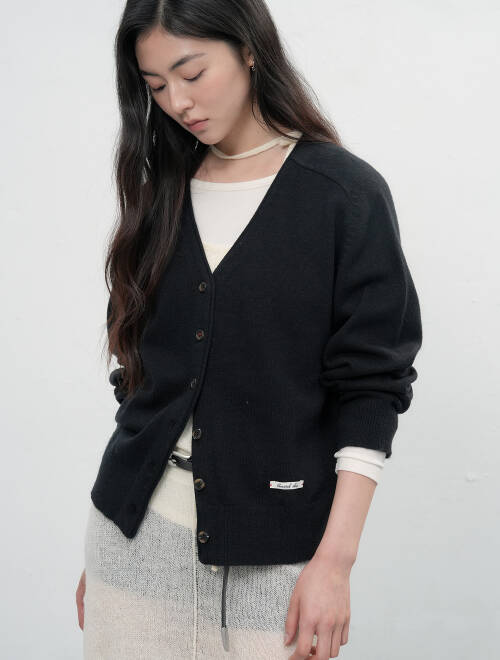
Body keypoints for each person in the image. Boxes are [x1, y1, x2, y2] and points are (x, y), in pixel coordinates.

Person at [75, 1, 423, 659]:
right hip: (132, 540)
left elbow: (372, 387)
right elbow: (143, 379)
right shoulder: (163, 191)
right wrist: (114, 544)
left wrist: (335, 563)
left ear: (249, 49)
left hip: (278, 553)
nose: (178, 102)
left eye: (192, 73)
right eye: (156, 86)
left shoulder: (343, 195)